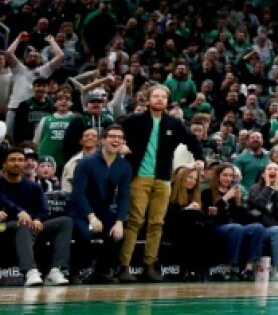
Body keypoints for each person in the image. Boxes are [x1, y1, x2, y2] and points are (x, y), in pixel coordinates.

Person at [118, 82, 205, 282]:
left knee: (157, 223)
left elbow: (192, 139)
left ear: (167, 101)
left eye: (163, 97)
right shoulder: (134, 120)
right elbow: (114, 129)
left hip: (163, 179)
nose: (159, 100)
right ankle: (124, 265)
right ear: (148, 99)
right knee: (135, 222)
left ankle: (150, 265)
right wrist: (121, 144)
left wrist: (200, 157)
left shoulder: (174, 123)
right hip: (139, 177)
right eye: (156, 96)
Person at [66, 124, 132, 282]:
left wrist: (119, 222)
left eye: (119, 138)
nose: (116, 140)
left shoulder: (124, 166)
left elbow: (124, 195)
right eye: (112, 136)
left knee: (119, 235)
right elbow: (78, 193)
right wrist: (91, 217)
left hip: (104, 210)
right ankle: (74, 271)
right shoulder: (85, 163)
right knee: (86, 233)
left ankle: (102, 271)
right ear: (103, 140)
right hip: (81, 210)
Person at [0, 144, 73, 286]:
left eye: (20, 160)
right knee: (22, 224)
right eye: (12, 160)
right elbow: (4, 200)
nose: (17, 163)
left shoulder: (33, 186)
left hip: (30, 227)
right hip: (3, 227)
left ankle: (56, 270)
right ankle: (30, 271)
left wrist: (39, 219)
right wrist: (19, 212)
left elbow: (44, 208)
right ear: (4, 163)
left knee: (65, 222)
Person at [205, 162, 267, 281]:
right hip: (217, 226)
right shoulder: (208, 193)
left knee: (257, 227)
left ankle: (249, 267)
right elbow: (212, 216)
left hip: (234, 226)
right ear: (218, 176)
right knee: (236, 228)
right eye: (225, 175)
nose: (228, 178)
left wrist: (238, 203)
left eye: (230, 176)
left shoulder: (235, 193)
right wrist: (225, 198)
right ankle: (231, 266)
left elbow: (242, 219)